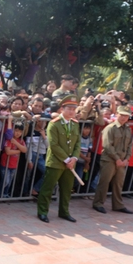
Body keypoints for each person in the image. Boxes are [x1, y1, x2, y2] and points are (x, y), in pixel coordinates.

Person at [37, 95, 81, 223]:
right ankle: (43, 211)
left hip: (70, 163)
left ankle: (64, 212)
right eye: (69, 108)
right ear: (62, 109)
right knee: (48, 188)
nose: (72, 111)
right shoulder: (54, 124)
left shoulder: (75, 124)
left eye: (74, 109)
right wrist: (66, 159)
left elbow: (77, 143)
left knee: (67, 189)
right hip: (56, 162)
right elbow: (53, 144)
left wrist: (74, 158)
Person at [92, 105, 133, 214]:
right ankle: (98, 203)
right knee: (104, 182)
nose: (124, 118)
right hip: (109, 159)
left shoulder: (128, 129)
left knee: (118, 183)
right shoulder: (110, 128)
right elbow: (107, 145)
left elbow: (130, 145)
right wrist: (117, 159)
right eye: (121, 115)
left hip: (122, 160)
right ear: (117, 115)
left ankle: (118, 205)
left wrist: (127, 159)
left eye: (126, 116)